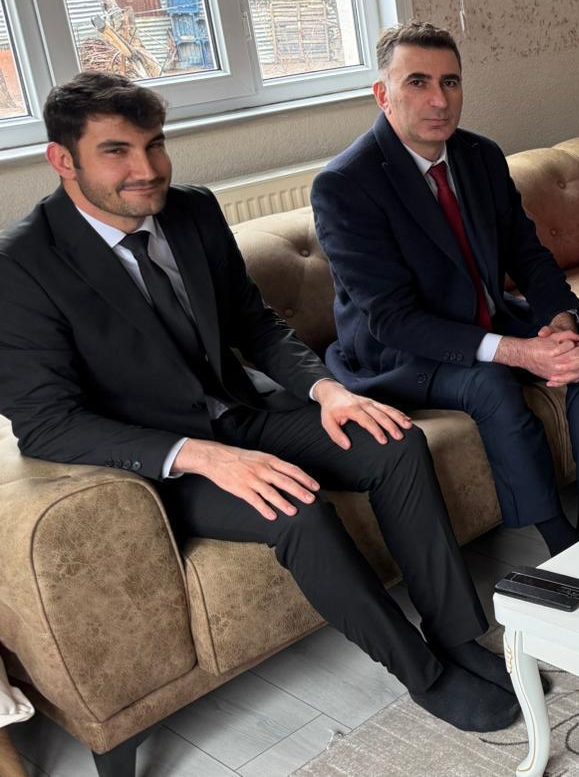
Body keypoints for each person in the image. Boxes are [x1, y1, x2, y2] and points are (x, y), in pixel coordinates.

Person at [0, 72, 518, 732]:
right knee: (296, 508)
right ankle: (422, 671)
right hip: (162, 460)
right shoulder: (21, 265)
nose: (147, 169)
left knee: (395, 441)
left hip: (243, 408)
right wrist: (201, 457)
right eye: (117, 151)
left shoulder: (192, 210)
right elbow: (47, 425)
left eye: (155, 145)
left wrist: (328, 390)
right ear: (63, 159)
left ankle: (456, 634)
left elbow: (255, 323)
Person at [312, 21, 579, 555]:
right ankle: (558, 539)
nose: (439, 100)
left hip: (486, 316)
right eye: (418, 82)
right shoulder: (346, 185)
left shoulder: (479, 156)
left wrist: (560, 323)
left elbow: (527, 254)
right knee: (491, 383)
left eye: (451, 82)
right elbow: (392, 320)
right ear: (383, 94)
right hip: (401, 351)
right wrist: (519, 352)